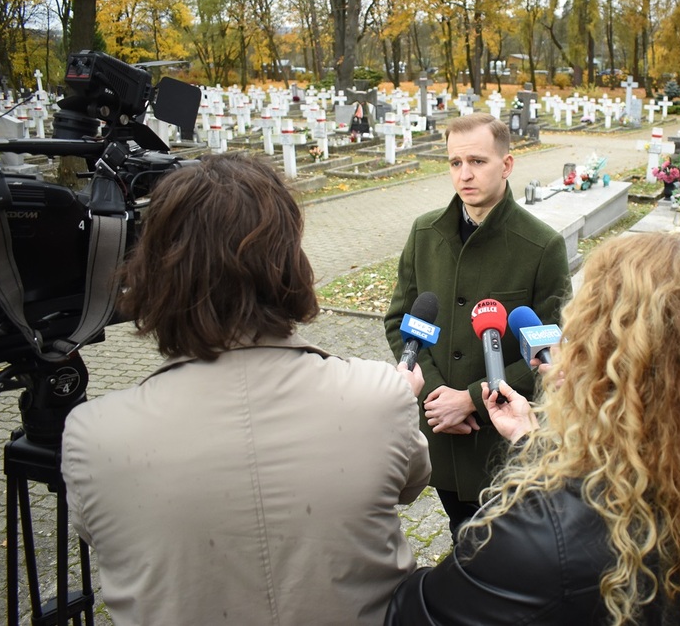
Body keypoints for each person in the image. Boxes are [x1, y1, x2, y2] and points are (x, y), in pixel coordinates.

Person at [61, 153, 431, 626]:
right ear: (291, 262)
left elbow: (101, 531)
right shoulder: (379, 397)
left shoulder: (93, 436)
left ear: (151, 271)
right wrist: (394, 401)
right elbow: (410, 483)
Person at [385, 232, 680, 625]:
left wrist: (380, 461)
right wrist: (530, 440)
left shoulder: (532, 537)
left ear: (598, 358)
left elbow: (410, 611)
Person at [384, 113, 571, 535]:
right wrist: (435, 396)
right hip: (442, 431)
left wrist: (470, 398)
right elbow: (401, 321)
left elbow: (554, 350)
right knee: (458, 533)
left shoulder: (542, 246)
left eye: (478, 162)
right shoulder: (424, 233)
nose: (464, 175)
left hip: (501, 442)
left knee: (504, 549)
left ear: (506, 165)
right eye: (455, 163)